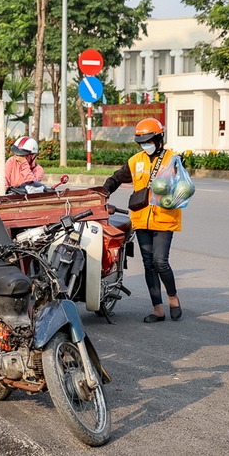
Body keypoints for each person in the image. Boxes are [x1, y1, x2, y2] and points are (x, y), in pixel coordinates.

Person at [96, 118, 183, 323]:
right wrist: (102, 193)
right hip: (141, 219)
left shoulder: (173, 159)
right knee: (148, 265)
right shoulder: (136, 161)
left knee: (160, 262)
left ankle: (173, 298)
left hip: (164, 219)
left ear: (159, 139)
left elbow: (184, 187)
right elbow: (116, 179)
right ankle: (158, 309)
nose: (146, 145)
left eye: (149, 140)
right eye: (142, 142)